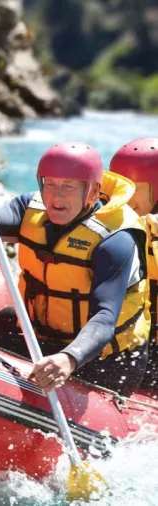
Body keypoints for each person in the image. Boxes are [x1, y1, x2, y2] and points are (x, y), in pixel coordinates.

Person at [0, 142, 150, 396]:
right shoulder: (29, 208)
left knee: (97, 362)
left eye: (69, 187)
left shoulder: (115, 239)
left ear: (93, 192)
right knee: (4, 322)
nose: (56, 196)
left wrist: (69, 358)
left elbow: (104, 318)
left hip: (105, 356)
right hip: (50, 338)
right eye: (50, 184)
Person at [108, 137, 158, 392]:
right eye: (118, 185)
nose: (122, 195)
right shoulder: (107, 226)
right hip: (122, 341)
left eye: (134, 187)